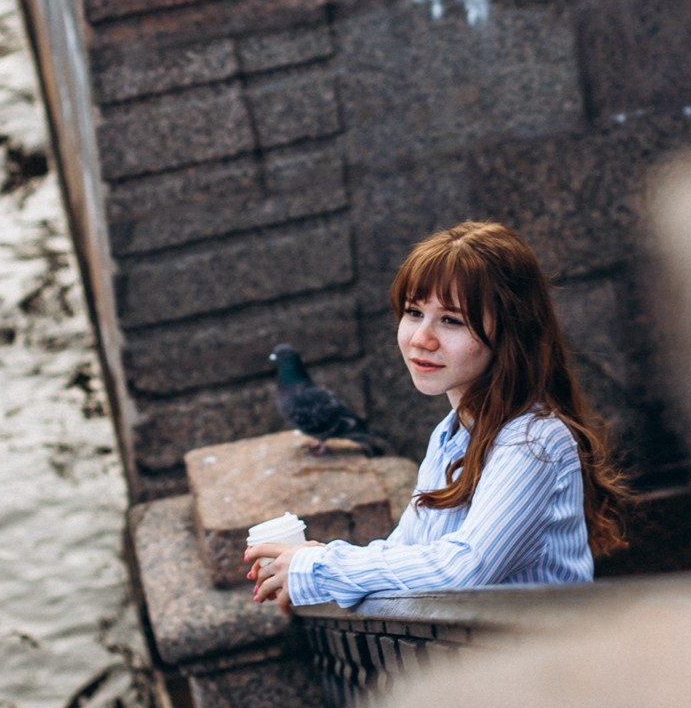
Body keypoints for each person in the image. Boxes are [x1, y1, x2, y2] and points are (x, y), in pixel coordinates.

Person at [248, 220, 629, 608]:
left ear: (510, 332)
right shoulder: (450, 434)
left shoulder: (534, 440)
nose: (421, 339)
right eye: (413, 312)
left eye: (451, 320)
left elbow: (464, 567)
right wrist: (309, 563)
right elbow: (406, 554)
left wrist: (318, 569)